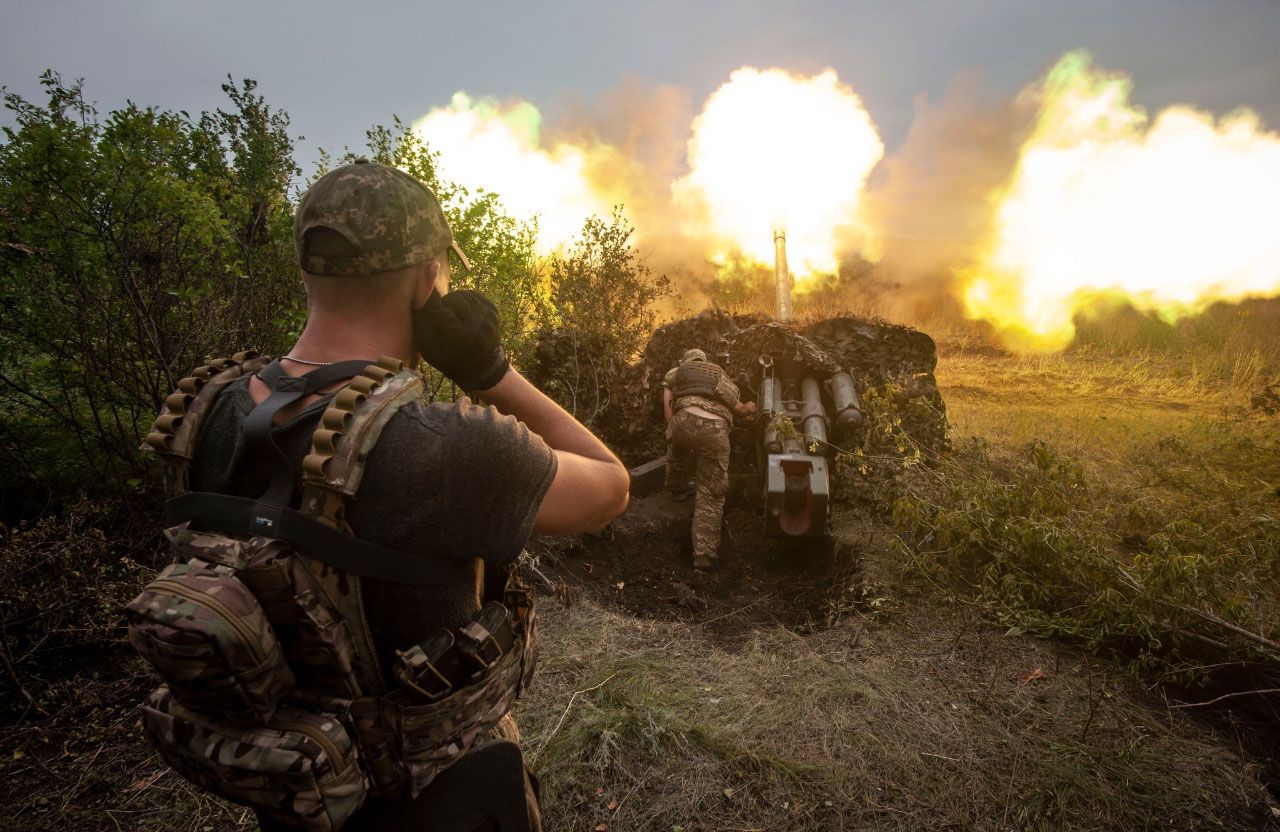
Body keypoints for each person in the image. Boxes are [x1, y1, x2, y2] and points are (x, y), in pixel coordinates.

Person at [182, 159, 629, 829]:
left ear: (307, 270)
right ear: (428, 281)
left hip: (298, 792)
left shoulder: (207, 414)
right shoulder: (448, 446)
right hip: (448, 799)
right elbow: (610, 484)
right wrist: (489, 371)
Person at [662, 348, 755, 571]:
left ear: (685, 360)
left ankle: (675, 488)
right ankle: (704, 557)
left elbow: (667, 403)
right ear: (704, 361)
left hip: (682, 420)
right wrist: (750, 408)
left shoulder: (677, 372)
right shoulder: (717, 374)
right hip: (715, 430)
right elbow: (739, 408)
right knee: (711, 494)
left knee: (677, 451)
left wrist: (672, 426)